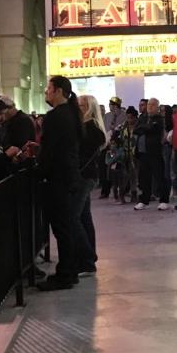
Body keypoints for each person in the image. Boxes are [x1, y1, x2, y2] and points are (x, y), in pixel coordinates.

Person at [38, 75, 86, 290]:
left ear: (58, 91)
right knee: (67, 226)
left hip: (58, 178)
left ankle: (65, 274)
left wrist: (40, 171)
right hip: (69, 176)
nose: (46, 92)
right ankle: (70, 270)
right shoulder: (72, 114)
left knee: (62, 228)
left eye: (49, 88)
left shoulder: (55, 116)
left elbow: (50, 150)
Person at [73, 95, 107, 275]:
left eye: (81, 106)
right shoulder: (90, 127)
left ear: (89, 108)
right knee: (84, 217)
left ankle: (86, 260)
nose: (78, 108)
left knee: (74, 217)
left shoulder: (90, 128)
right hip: (86, 175)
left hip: (84, 176)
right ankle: (88, 258)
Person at [134, 98, 167, 209]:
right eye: (149, 104)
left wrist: (144, 128)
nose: (150, 106)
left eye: (153, 105)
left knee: (159, 176)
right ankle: (144, 200)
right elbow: (136, 129)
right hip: (142, 152)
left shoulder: (159, 119)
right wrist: (145, 128)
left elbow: (151, 128)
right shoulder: (142, 118)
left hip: (154, 152)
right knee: (144, 177)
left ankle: (163, 200)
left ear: (157, 107)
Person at [100, 98, 126, 196]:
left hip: (119, 146)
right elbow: (103, 128)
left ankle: (123, 189)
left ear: (116, 105)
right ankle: (105, 190)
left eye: (111, 104)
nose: (110, 106)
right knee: (104, 167)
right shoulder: (107, 116)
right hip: (107, 144)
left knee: (119, 168)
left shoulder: (124, 115)